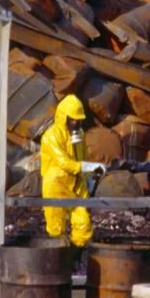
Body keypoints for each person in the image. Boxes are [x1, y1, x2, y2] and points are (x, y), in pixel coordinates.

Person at [40, 94, 105, 247]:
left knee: (83, 224)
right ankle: (57, 260)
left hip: (77, 183)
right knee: (56, 228)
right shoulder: (51, 137)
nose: (76, 123)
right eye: (73, 119)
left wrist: (90, 174)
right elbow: (64, 162)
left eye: (79, 119)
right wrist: (87, 167)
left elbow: (82, 157)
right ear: (64, 117)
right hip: (55, 185)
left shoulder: (80, 135)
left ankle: (75, 257)